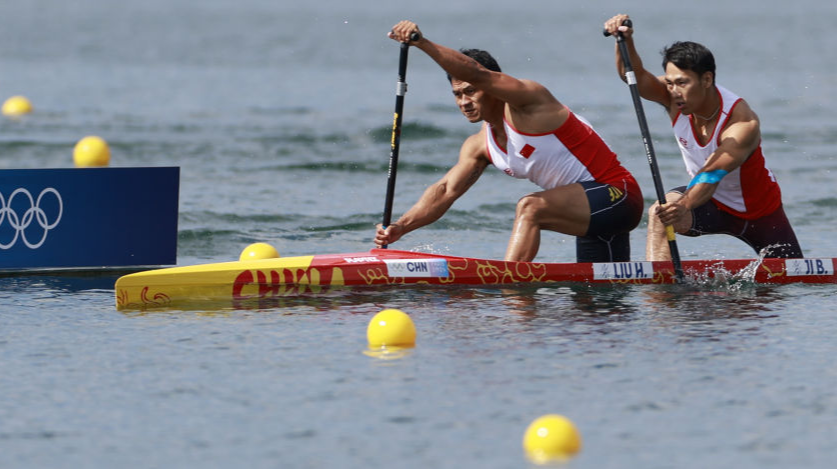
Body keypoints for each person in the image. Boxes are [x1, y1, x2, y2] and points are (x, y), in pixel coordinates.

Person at [375, 20, 643, 263]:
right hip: (586, 212)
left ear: (492, 86)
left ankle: (507, 285)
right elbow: (446, 191)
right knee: (599, 306)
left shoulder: (529, 103)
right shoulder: (479, 144)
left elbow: (478, 73)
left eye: (470, 91)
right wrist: (401, 226)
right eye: (457, 94)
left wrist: (422, 43)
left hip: (619, 196)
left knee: (530, 207)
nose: (464, 102)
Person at [603, 14, 803, 260]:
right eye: (670, 82)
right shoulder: (673, 98)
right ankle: (660, 294)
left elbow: (711, 175)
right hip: (710, 205)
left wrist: (684, 205)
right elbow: (632, 77)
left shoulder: (741, 122)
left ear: (707, 79)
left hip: (761, 214)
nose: (674, 92)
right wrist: (623, 41)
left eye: (682, 83)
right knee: (661, 214)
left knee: (794, 275)